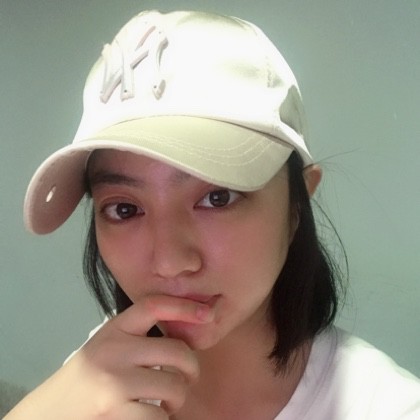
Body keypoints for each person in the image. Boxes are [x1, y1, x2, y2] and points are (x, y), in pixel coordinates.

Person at [6, 10, 420, 420]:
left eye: (218, 197)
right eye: (125, 209)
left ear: (298, 204)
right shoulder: (101, 371)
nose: (169, 263)